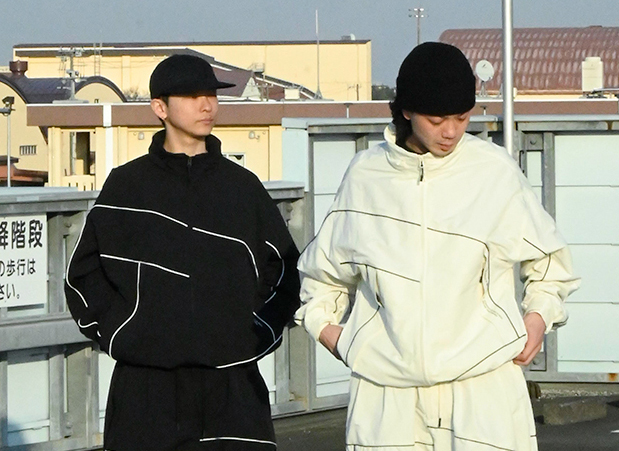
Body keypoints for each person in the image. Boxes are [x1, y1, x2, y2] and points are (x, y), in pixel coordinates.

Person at [295, 42, 579, 451]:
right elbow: (322, 275)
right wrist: (331, 333)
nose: (451, 132)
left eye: (462, 118)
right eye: (437, 119)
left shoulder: (493, 171)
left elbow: (551, 265)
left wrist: (537, 319)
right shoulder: (365, 176)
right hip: (386, 399)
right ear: (406, 111)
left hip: (483, 392)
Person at [65, 54, 300, 451]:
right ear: (160, 107)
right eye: (192, 96)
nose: (207, 105)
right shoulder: (127, 186)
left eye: (211, 95)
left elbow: (285, 271)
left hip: (233, 385)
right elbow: (84, 275)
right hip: (144, 388)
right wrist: (123, 333)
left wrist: (254, 335)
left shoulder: (243, 188)